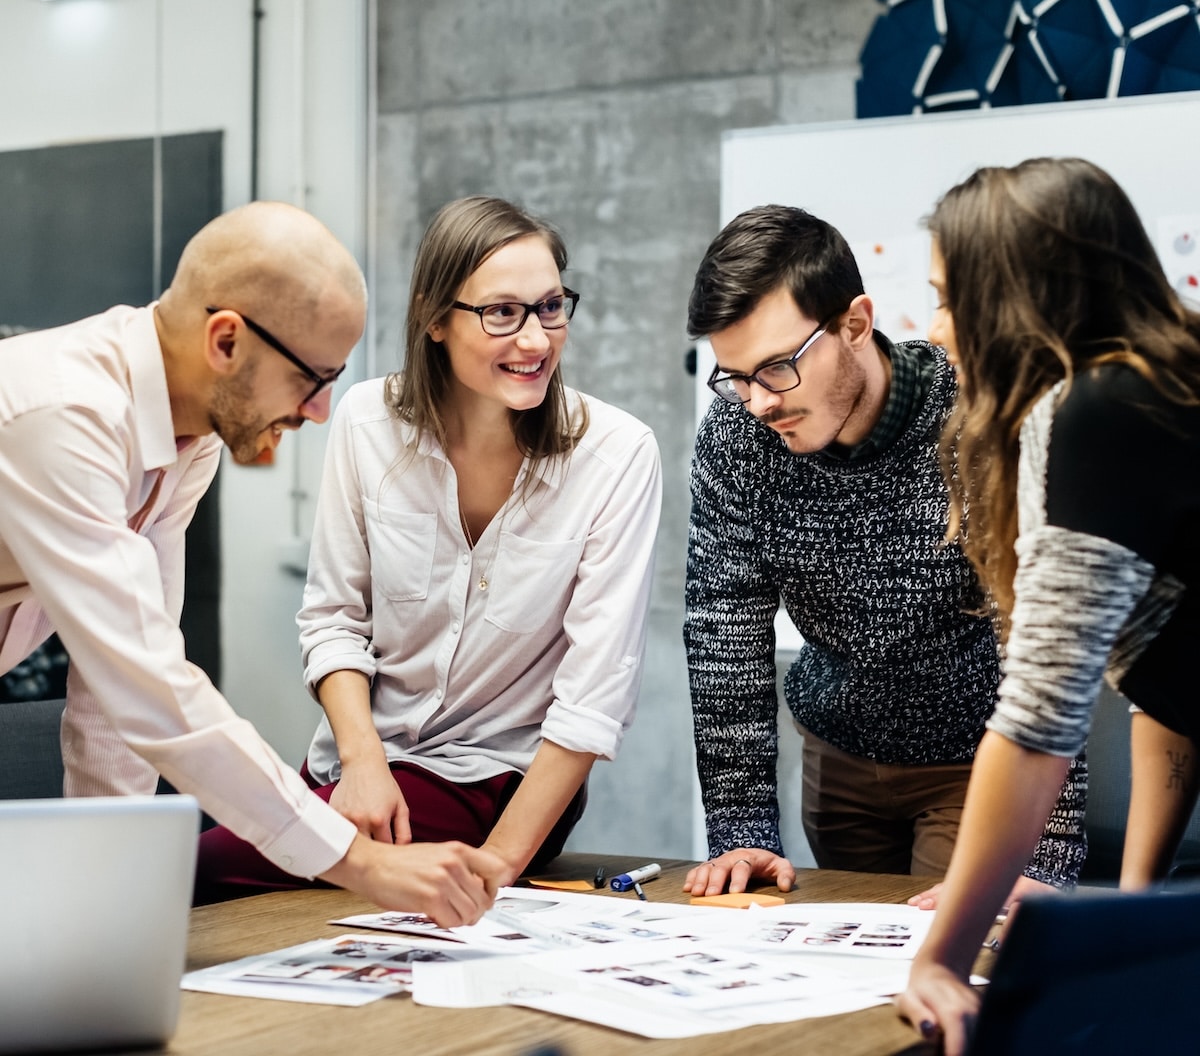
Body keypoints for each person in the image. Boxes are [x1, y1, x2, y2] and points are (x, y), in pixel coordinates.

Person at [0, 201, 504, 926]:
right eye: (312, 378)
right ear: (227, 340)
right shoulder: (65, 417)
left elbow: (117, 699)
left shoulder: (189, 441)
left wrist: (99, 905)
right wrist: (362, 862)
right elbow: (151, 689)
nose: (325, 410)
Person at [194, 195, 662, 900]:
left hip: (498, 783)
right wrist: (363, 764)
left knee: (191, 868)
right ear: (435, 318)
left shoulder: (617, 454)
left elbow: (592, 697)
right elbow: (333, 620)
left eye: (551, 306)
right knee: (200, 850)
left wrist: (500, 865)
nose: (535, 340)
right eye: (502, 312)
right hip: (357, 768)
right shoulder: (366, 423)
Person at [681, 204, 1085, 900]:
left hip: (977, 760)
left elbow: (1045, 637)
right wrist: (741, 824)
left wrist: (1043, 857)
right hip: (837, 757)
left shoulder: (975, 418)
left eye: (777, 368)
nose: (756, 403)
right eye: (735, 376)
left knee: (949, 965)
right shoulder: (737, 436)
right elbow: (725, 626)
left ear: (855, 324)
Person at [898, 156, 1200, 1053]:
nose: (937, 328)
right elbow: (1171, 683)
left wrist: (940, 958)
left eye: (950, 300)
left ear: (1013, 297)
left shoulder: (1097, 410)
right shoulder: (1163, 383)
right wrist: (1129, 910)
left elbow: (1036, 726)